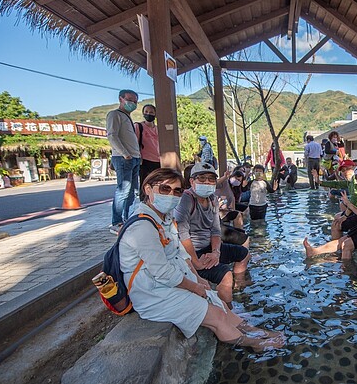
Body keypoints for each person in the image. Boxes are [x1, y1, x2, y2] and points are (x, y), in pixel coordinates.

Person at [119, 168, 283, 352]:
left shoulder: (164, 219)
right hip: (152, 292)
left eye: (176, 191)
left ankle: (251, 330)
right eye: (165, 189)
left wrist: (198, 277)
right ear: (148, 189)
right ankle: (252, 343)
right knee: (216, 315)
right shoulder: (142, 227)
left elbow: (181, 253)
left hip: (171, 279)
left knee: (217, 302)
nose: (172, 195)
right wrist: (194, 286)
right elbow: (163, 272)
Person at [174, 163, 251, 307]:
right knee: (226, 275)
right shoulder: (186, 199)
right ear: (192, 181)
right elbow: (182, 234)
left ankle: (238, 288)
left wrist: (216, 252)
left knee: (244, 253)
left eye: (211, 179)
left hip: (209, 249)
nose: (207, 182)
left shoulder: (212, 199)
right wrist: (196, 262)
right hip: (191, 254)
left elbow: (215, 230)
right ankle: (228, 311)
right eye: (202, 178)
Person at [303, 163, 357, 260]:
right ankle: (314, 251)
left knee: (346, 244)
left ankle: (347, 270)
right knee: (342, 238)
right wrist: (348, 204)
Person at [107, 89, 141, 235]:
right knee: (123, 190)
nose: (132, 103)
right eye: (129, 99)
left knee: (133, 191)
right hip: (124, 158)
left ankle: (127, 219)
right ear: (121, 99)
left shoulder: (127, 117)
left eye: (135, 101)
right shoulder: (114, 115)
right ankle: (116, 222)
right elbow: (112, 136)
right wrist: (125, 154)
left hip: (134, 157)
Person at [314, 160, 357, 239]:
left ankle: (336, 246)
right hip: (355, 211)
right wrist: (319, 182)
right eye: (342, 171)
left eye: (347, 169)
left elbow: (354, 200)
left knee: (336, 224)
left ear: (354, 168)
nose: (344, 172)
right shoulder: (349, 182)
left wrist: (345, 216)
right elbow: (336, 184)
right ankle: (339, 240)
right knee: (337, 215)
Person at [135, 104, 160, 191]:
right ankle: (144, 202)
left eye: (151, 112)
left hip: (158, 160)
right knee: (145, 185)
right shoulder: (139, 127)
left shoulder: (158, 129)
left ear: (155, 114)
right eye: (146, 112)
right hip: (145, 161)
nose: (148, 114)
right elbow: (135, 143)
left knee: (157, 184)